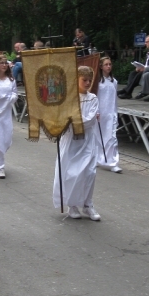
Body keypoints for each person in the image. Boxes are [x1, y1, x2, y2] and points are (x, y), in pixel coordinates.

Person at [53, 66, 101, 221]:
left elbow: (90, 119)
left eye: (89, 80)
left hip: (87, 141)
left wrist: (72, 122)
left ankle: (88, 205)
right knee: (71, 172)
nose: (87, 83)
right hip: (70, 141)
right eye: (84, 80)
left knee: (89, 172)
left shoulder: (93, 98)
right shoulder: (68, 98)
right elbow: (61, 117)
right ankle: (72, 204)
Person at [0, 55, 18, 179]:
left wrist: (7, 98)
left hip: (5, 112)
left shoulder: (11, 80)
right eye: (1, 63)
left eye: (6, 63)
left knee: (6, 138)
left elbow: (15, 94)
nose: (4, 65)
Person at [96, 57, 122, 173]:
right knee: (98, 137)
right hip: (100, 114)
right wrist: (95, 111)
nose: (108, 66)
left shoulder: (114, 81)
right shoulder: (97, 82)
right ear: (101, 66)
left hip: (110, 113)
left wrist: (115, 113)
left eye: (110, 64)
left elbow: (114, 100)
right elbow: (95, 97)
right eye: (106, 64)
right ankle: (97, 158)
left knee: (111, 138)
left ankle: (112, 162)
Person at [117, 34, 149, 99]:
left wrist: (145, 68)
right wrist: (140, 67)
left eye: (147, 42)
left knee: (139, 75)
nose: (145, 43)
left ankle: (127, 91)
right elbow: (147, 63)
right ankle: (128, 91)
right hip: (146, 69)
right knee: (132, 73)